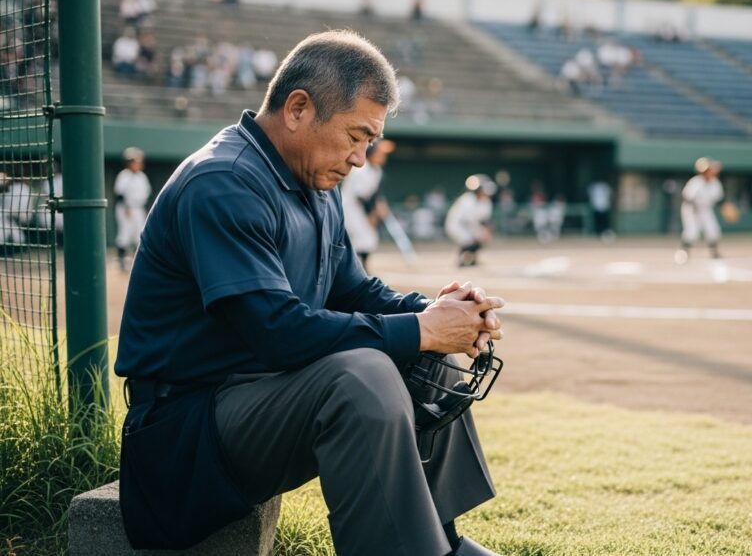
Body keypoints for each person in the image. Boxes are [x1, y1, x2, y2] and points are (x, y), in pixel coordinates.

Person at [114, 31, 505, 556]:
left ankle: (442, 541)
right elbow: (277, 332)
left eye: (369, 141)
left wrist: (437, 314)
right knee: (361, 374)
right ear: (298, 108)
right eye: (355, 135)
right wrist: (421, 330)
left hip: (255, 405)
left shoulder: (312, 183)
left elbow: (354, 289)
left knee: (428, 360)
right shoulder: (223, 181)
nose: (361, 158)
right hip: (183, 440)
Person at [341, 138, 395, 269]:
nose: (383, 156)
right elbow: (361, 197)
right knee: (361, 238)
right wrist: (371, 214)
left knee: (368, 238)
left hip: (360, 208)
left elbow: (375, 194)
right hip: (351, 208)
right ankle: (357, 268)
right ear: (371, 152)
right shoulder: (362, 170)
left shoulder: (376, 170)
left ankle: (361, 267)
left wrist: (380, 205)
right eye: (379, 153)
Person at [676, 157, 724, 263]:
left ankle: (714, 252)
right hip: (691, 209)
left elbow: (719, 199)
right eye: (709, 170)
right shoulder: (696, 182)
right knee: (692, 232)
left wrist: (724, 207)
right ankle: (683, 252)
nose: (712, 172)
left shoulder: (715, 183)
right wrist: (695, 209)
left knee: (713, 230)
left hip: (705, 209)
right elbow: (687, 197)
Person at [113, 146, 151, 272]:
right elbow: (119, 194)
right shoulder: (124, 175)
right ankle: (122, 263)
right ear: (129, 162)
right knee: (124, 235)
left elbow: (146, 194)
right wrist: (127, 208)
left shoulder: (142, 177)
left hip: (138, 208)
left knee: (139, 236)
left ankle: (137, 263)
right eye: (135, 161)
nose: (138, 163)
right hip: (126, 208)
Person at [446, 174, 496, 267]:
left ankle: (472, 259)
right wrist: (479, 232)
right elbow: (467, 221)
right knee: (470, 240)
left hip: (470, 226)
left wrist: (488, 231)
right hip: (457, 226)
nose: (486, 194)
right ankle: (462, 259)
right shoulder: (467, 200)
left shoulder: (486, 202)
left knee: (482, 237)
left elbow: (484, 220)